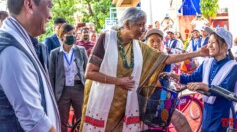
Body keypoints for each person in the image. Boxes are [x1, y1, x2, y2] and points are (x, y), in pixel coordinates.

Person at [80, 7, 209, 132]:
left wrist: (197, 53)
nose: (143, 29)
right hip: (103, 104)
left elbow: (166, 59)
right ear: (127, 24)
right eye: (140, 25)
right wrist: (119, 81)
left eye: (144, 25)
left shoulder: (138, 46)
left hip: (126, 104)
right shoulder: (106, 39)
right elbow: (90, 73)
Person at [0, 0, 61, 132]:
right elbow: (35, 122)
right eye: (48, 6)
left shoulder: (25, 43)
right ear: (30, 5)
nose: (51, 15)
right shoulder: (12, 52)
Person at [162, 27, 237, 132]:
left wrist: (204, 86)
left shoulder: (233, 66)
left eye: (214, 42)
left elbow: (225, 89)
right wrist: (172, 75)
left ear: (225, 46)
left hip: (223, 112)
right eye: (209, 42)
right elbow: (192, 78)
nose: (209, 46)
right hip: (208, 111)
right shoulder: (207, 63)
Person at [145, 28, 192, 132]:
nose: (155, 44)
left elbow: (161, 81)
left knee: (181, 120)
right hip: (144, 102)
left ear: (162, 42)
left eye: (158, 41)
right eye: (152, 41)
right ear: (146, 42)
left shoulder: (165, 59)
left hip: (160, 100)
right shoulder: (141, 58)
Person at [49, 23, 88, 132]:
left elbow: (86, 71)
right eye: (68, 34)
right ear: (62, 36)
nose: (72, 36)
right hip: (62, 90)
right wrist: (52, 95)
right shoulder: (55, 53)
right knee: (62, 120)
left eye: (73, 34)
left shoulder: (81, 51)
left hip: (78, 88)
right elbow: (51, 76)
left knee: (81, 118)